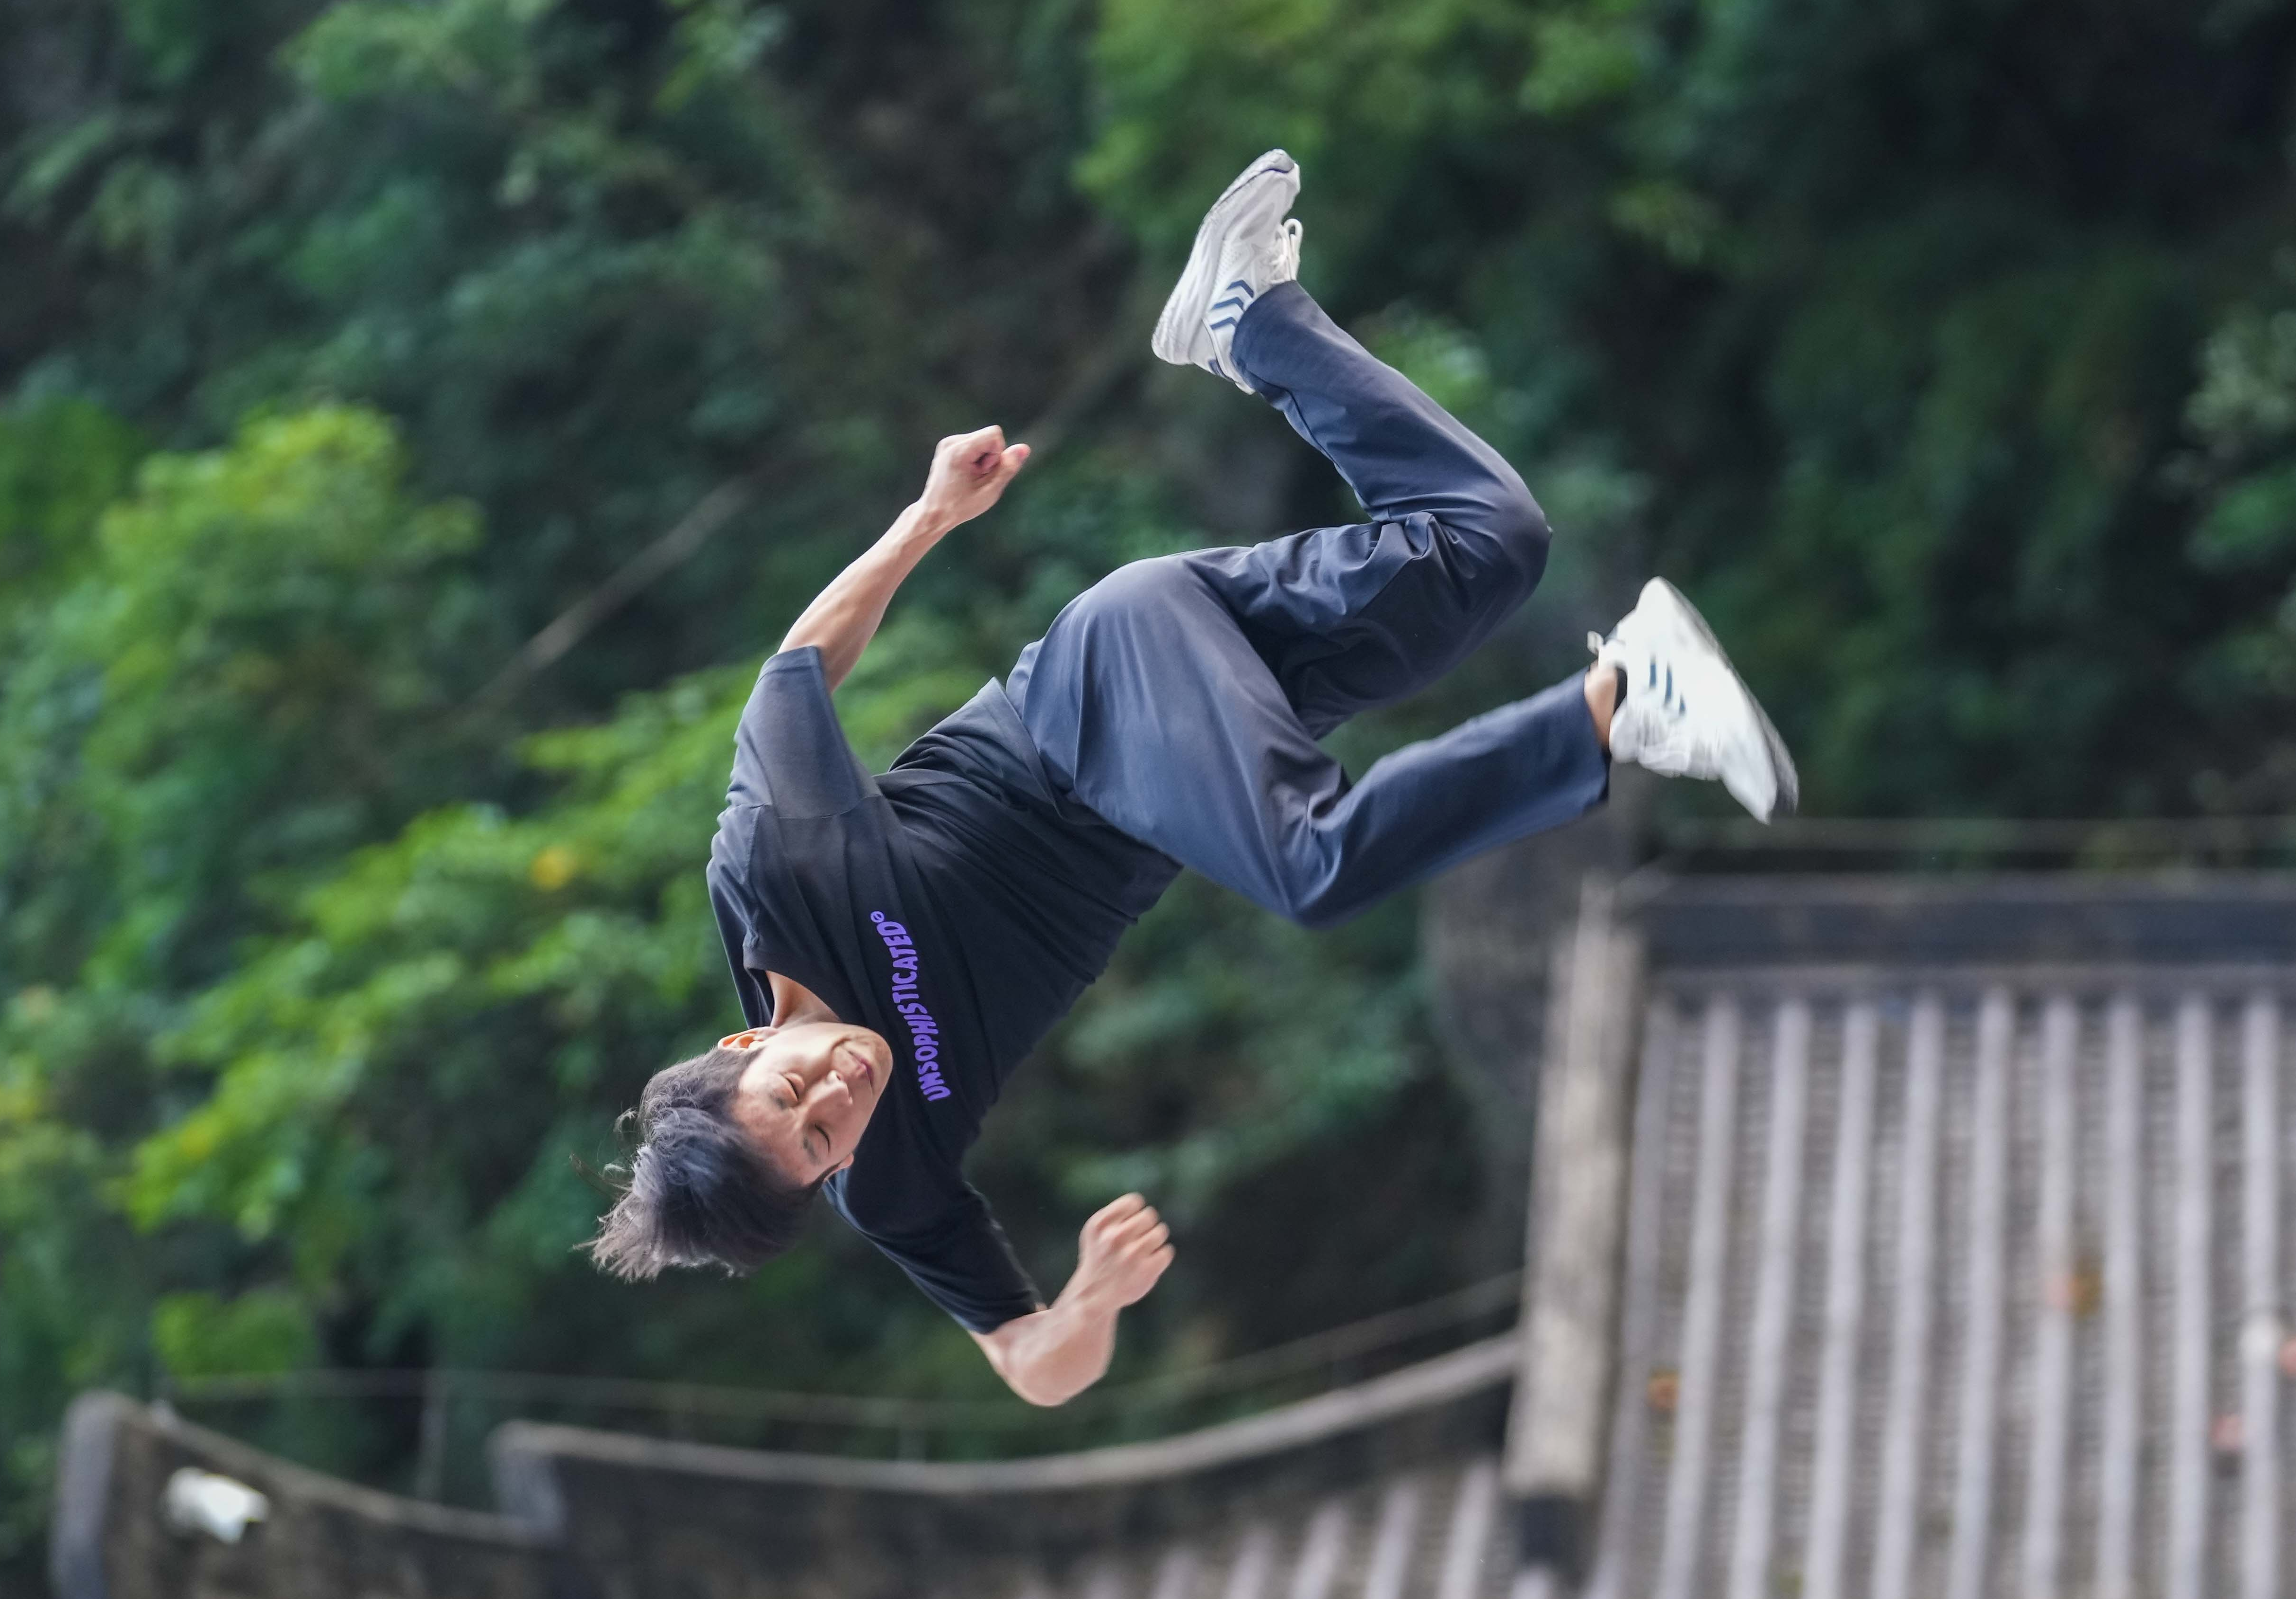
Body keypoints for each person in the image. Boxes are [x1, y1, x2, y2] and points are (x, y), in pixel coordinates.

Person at [585, 151, 1796, 1405]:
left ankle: (1620, 704)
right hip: (1183, 754)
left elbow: (795, 671)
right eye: (825, 1137)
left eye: (798, 1087)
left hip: (1105, 694)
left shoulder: (777, 871)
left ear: (743, 1043)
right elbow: (1030, 1369)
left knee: (1312, 864)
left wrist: (930, 517)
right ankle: (1250, 316)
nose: (845, 1090)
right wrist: (1086, 1303)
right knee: (1490, 547)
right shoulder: (891, 1181)